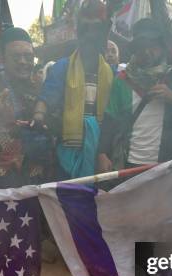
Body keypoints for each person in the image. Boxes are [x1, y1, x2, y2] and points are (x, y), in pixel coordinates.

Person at [97, 18, 172, 174]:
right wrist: (102, 153)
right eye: (141, 46)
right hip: (127, 163)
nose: (147, 51)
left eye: (153, 46)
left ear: (162, 48)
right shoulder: (122, 80)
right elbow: (110, 121)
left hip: (166, 165)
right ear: (135, 50)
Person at [34, 0, 114, 179]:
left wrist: (103, 151)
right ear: (78, 32)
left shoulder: (111, 73)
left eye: (96, 29)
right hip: (68, 152)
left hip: (99, 152)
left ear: (103, 33)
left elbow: (112, 116)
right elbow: (48, 96)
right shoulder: (63, 67)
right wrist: (38, 115)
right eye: (85, 29)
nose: (90, 35)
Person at [0, 27, 51, 188]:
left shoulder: (39, 86)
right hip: (3, 178)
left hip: (38, 175)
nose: (23, 61)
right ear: (2, 58)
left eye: (28, 56)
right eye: (16, 57)